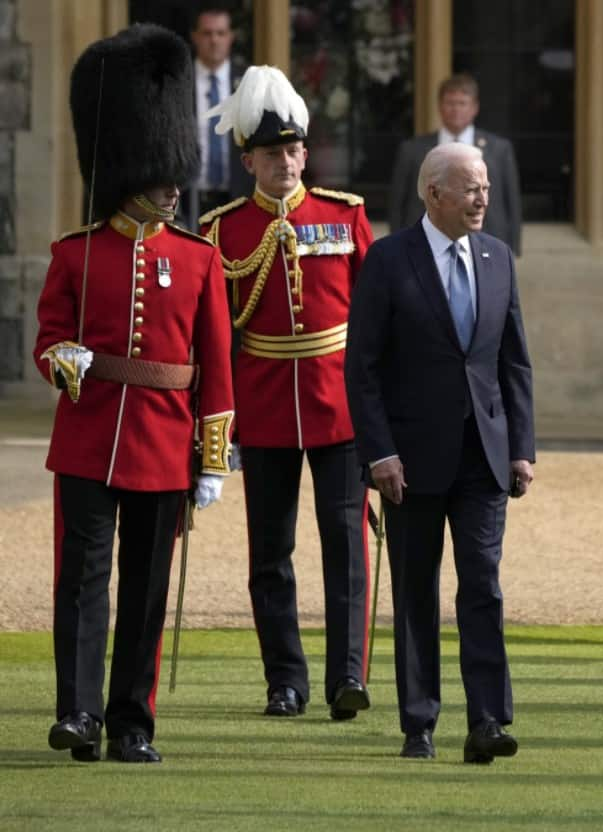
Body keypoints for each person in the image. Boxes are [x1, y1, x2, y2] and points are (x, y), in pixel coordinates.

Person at [36, 23, 234, 764]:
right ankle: (78, 713)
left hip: (162, 443)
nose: (174, 185)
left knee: (146, 594)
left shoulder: (198, 260)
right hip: (89, 436)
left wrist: (211, 458)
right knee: (81, 585)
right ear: (131, 167)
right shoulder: (75, 252)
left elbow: (216, 367)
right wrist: (71, 363)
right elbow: (49, 337)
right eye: (161, 173)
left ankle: (131, 723)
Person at [345, 142, 535, 763]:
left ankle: (488, 720)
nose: (484, 198)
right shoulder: (387, 259)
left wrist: (522, 449)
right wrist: (379, 454)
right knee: (416, 594)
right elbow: (362, 369)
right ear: (434, 194)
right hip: (411, 460)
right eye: (471, 188)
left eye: (485, 187)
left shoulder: (499, 256)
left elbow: (513, 362)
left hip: (484, 456)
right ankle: (419, 722)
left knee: (483, 586)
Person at [200, 65, 376, 722]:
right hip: (265, 408)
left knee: (345, 544)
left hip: (340, 406)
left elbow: (375, 323)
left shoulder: (344, 215)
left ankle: (347, 677)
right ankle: (286, 681)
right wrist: (217, 429)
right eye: (271, 153)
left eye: (293, 150)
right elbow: (214, 339)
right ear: (248, 159)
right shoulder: (223, 232)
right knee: (270, 552)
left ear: (306, 151)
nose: (285, 162)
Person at [389, 74, 523, 254]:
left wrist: (512, 247)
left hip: (486, 245)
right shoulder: (412, 150)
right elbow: (397, 203)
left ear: (475, 107)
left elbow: (511, 201)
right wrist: (396, 246)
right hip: (424, 247)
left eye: (462, 103)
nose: (456, 109)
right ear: (440, 106)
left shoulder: (500, 149)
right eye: (450, 103)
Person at [184, 5, 248, 225]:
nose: (214, 40)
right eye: (207, 33)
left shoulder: (247, 83)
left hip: (238, 199)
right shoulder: (179, 82)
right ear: (195, 37)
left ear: (231, 37)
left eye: (220, 33)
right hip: (188, 201)